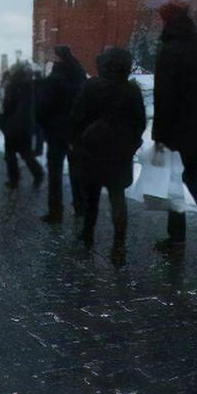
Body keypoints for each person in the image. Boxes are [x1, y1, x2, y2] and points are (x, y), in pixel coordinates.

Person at [150, 0, 197, 251]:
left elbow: (163, 96)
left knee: (174, 182)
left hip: (174, 129)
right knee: (192, 175)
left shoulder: (168, 52)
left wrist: (158, 134)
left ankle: (177, 236)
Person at [69, 47, 145, 259]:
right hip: (120, 153)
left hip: (92, 149)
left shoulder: (91, 86)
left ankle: (87, 235)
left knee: (91, 195)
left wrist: (76, 142)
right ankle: (119, 243)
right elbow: (139, 123)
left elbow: (77, 117)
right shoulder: (132, 90)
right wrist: (131, 145)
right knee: (117, 195)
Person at [35, 45, 87, 224]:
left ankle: (55, 212)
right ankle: (80, 207)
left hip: (56, 131)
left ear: (58, 58)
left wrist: (45, 126)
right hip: (76, 131)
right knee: (77, 170)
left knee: (55, 173)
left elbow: (42, 108)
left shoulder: (53, 80)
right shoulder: (80, 76)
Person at [0, 63, 44, 190]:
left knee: (18, 153)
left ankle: (25, 176)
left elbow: (18, 108)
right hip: (19, 126)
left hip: (18, 127)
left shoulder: (20, 84)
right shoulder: (22, 83)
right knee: (20, 153)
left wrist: (11, 125)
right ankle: (25, 176)